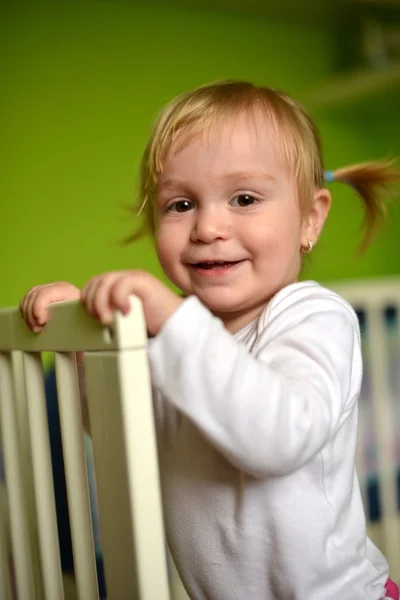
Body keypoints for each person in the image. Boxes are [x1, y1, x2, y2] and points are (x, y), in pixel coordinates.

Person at [20, 81, 400, 599]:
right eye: (180, 204)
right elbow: (125, 429)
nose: (208, 227)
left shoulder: (312, 316)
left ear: (310, 219)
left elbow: (279, 438)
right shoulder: (173, 341)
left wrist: (174, 322)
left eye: (244, 198)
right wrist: (80, 340)